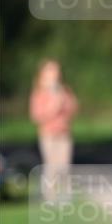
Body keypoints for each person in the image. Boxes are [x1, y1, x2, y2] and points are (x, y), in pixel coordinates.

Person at [29, 59, 78, 203]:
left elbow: (73, 108)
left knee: (64, 165)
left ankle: (65, 195)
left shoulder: (63, 89)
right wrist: (53, 106)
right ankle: (50, 196)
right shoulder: (39, 92)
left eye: (56, 70)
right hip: (48, 134)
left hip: (64, 132)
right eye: (51, 70)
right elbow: (36, 115)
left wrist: (64, 101)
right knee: (51, 165)